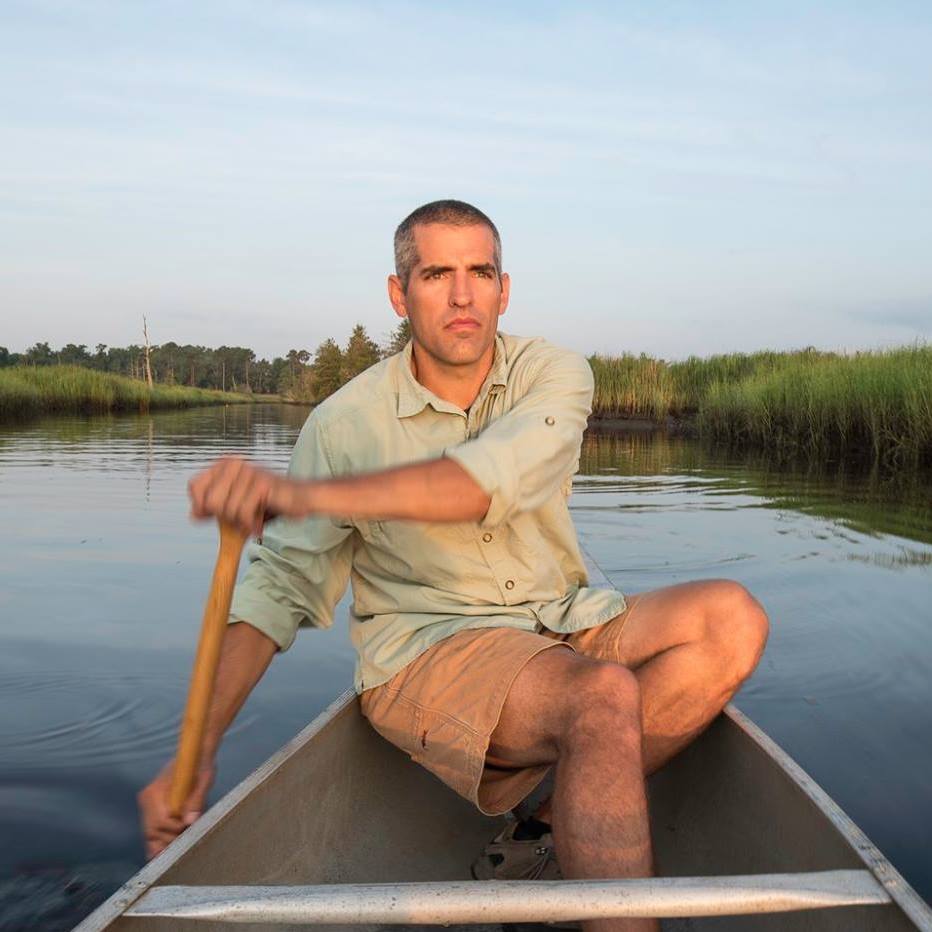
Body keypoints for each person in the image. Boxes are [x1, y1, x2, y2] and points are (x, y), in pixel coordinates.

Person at [138, 199, 769, 932]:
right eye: (437, 273)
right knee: (602, 698)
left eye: (481, 272)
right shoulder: (343, 425)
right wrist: (197, 750)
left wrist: (297, 492)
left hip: (558, 618)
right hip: (434, 649)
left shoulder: (554, 373)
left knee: (733, 618)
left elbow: (483, 482)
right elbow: (281, 589)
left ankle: (540, 830)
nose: (463, 294)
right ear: (399, 294)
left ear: (506, 288)